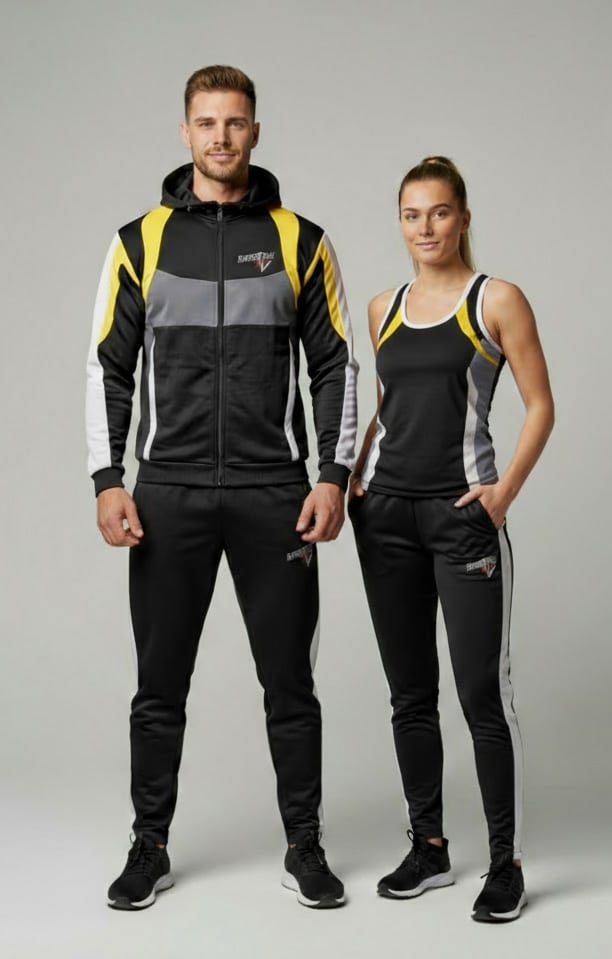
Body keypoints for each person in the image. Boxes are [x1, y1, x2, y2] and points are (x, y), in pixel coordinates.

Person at [86, 64, 357, 911]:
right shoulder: (139, 241)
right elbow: (106, 367)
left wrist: (332, 475)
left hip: (275, 491)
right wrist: (107, 478)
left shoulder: (301, 240)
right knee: (158, 685)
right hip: (168, 490)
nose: (221, 137)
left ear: (255, 132)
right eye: (207, 122)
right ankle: (150, 844)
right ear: (185, 132)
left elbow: (337, 366)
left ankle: (304, 845)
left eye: (235, 122)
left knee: (291, 684)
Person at [349, 156, 554, 923]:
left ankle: (505, 863)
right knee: (410, 694)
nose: (425, 227)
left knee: (481, 695)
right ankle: (428, 846)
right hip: (386, 519)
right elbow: (390, 405)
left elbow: (541, 405)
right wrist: (355, 477)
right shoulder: (384, 306)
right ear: (400, 223)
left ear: (463, 217)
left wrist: (503, 494)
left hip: (461, 515)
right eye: (411, 214)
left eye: (438, 212)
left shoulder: (495, 299)